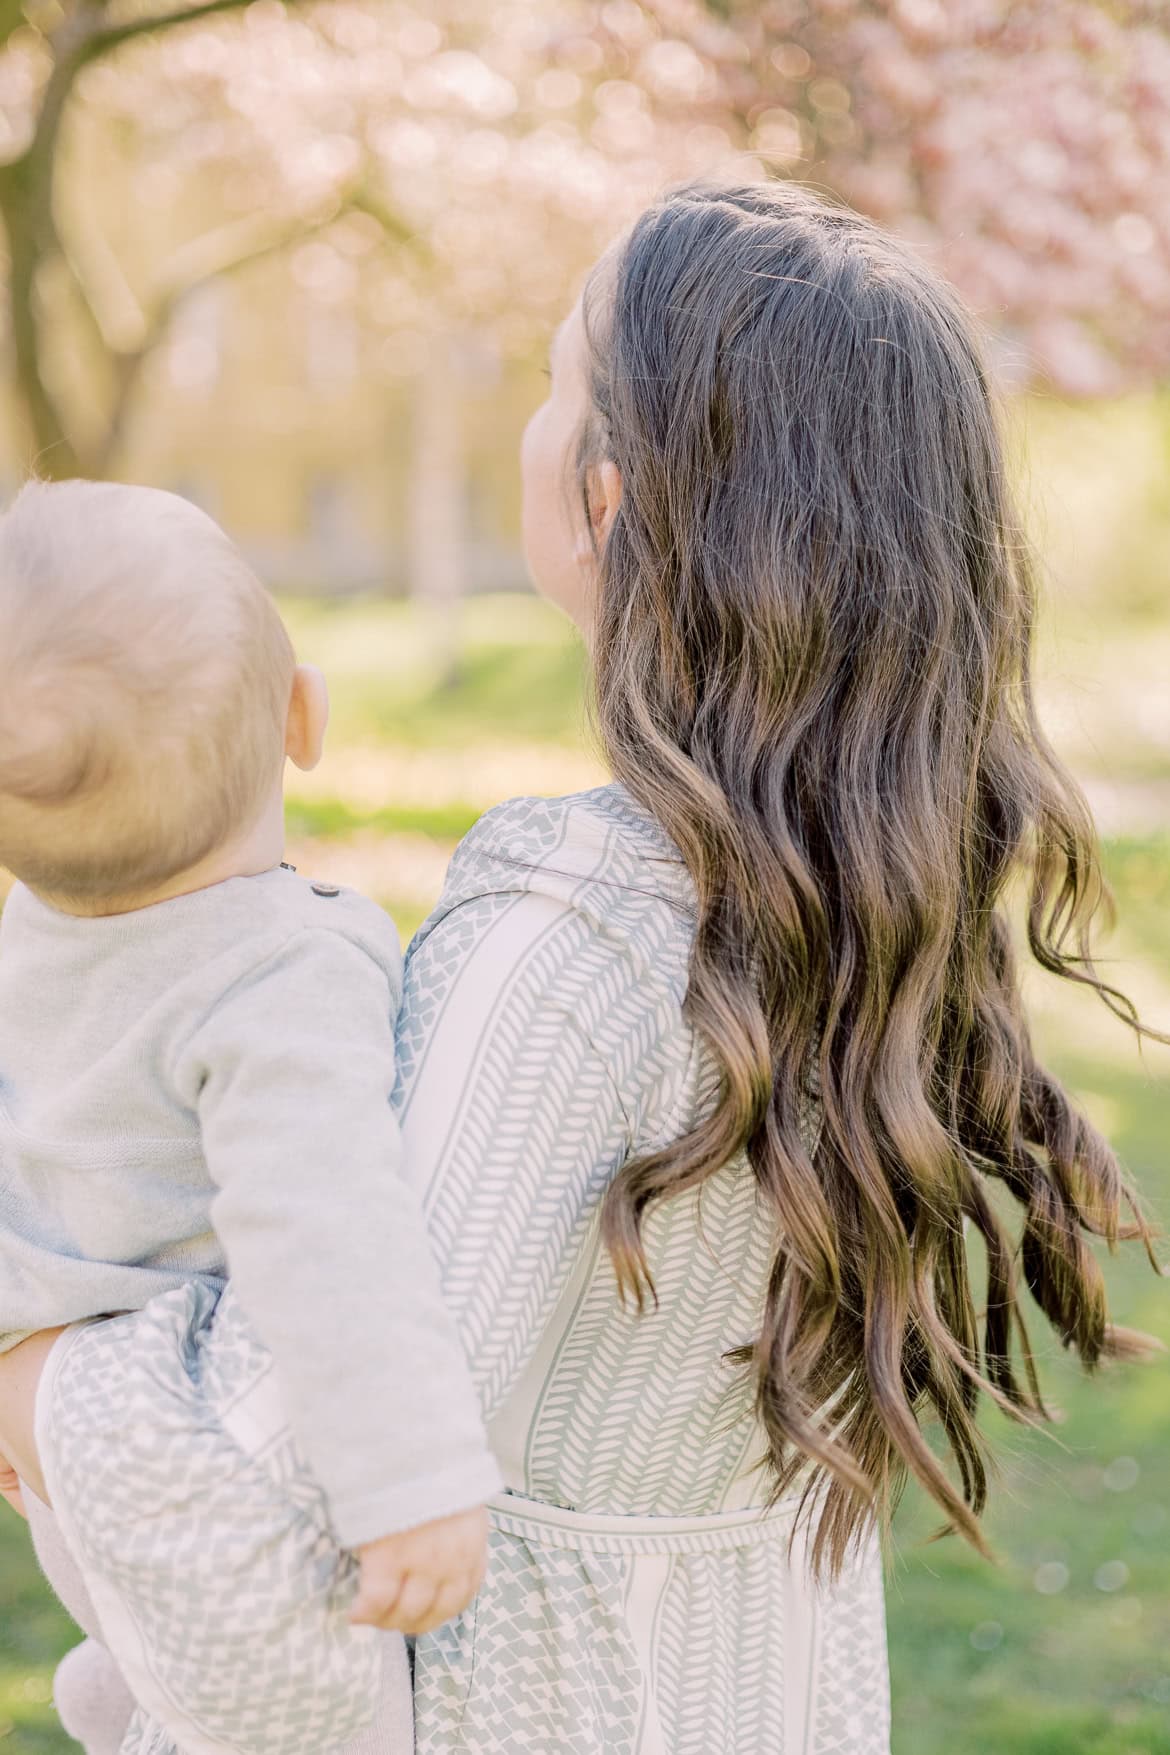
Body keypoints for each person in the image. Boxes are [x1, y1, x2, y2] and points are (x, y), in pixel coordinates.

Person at [5, 174, 1159, 1754]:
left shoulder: (565, 939)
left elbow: (286, 1509)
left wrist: (45, 1378)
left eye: (554, 379)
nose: (529, 421)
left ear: (606, 496)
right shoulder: (868, 903)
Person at [0, 481, 498, 1754]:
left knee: (153, 1648)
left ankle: (132, 1687)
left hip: (61, 1423)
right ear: (303, 718)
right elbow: (326, 1232)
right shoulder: (275, 976)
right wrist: (411, 1483)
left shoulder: (34, 934)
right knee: (337, 1720)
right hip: (189, 1453)